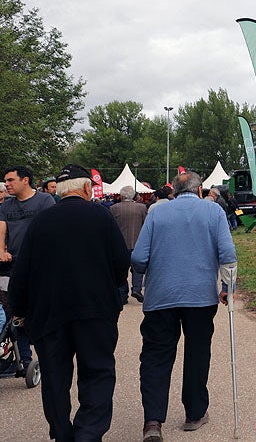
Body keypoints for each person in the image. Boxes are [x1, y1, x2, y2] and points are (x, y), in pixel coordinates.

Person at [8, 164, 130, 442]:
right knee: (98, 372)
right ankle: (88, 432)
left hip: (50, 314)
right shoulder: (102, 217)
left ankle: (63, 432)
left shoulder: (42, 221)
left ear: (59, 191)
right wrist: (113, 293)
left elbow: (22, 272)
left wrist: (19, 310)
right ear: (87, 188)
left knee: (54, 378)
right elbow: (121, 264)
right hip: (95, 311)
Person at [131, 170, 237, 441]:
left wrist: (146, 275)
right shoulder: (213, 212)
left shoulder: (156, 211)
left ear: (174, 191)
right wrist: (227, 288)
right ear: (199, 189)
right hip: (200, 297)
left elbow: (140, 258)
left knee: (156, 356)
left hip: (160, 297)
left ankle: (153, 421)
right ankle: (194, 413)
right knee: (197, 353)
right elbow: (228, 254)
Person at [0, 165, 56, 371]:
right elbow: (1, 229)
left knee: (41, 312)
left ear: (25, 180)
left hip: (39, 265)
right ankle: (24, 359)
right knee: (16, 313)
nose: (7, 184)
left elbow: (50, 230)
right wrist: (1, 251)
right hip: (13, 265)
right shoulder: (6, 205)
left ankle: (49, 355)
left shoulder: (44, 201)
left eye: (10, 180)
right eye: (5, 181)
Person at [110, 185, 148, 304]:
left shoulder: (114, 208)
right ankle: (136, 289)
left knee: (121, 269)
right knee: (137, 267)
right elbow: (145, 225)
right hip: (138, 242)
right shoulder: (141, 208)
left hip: (120, 243)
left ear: (121, 196)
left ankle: (122, 292)